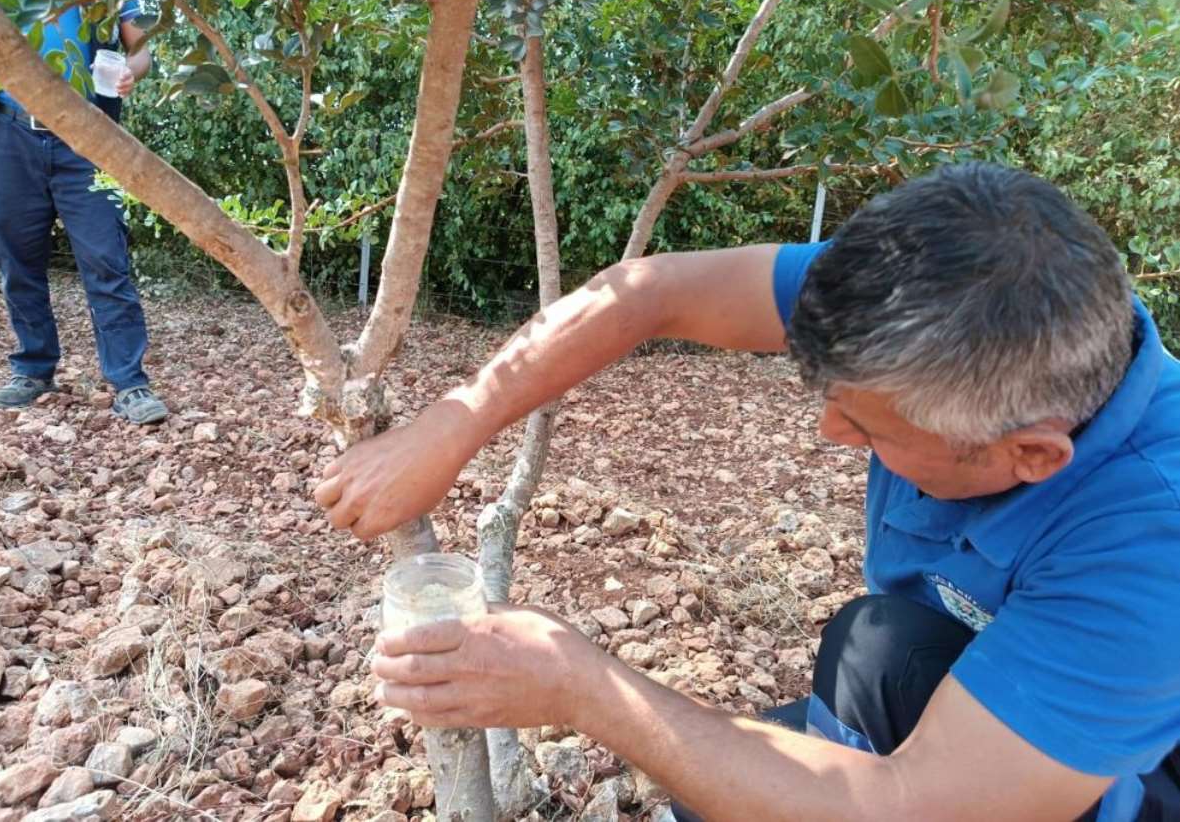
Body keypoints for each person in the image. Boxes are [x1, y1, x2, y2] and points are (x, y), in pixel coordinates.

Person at [314, 163, 1180, 821]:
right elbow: (652, 294)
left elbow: (909, 808)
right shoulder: (934, 302)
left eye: (872, 430)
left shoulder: (1148, 551)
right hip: (952, 675)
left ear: (1030, 455)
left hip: (1113, 772)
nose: (829, 437)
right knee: (843, 673)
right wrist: (454, 421)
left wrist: (581, 689)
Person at [0, 0, 167, 423]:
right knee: (16, 256)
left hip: (87, 134)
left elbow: (142, 48)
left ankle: (129, 382)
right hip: (8, 133)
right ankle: (34, 368)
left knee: (106, 256)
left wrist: (133, 70)